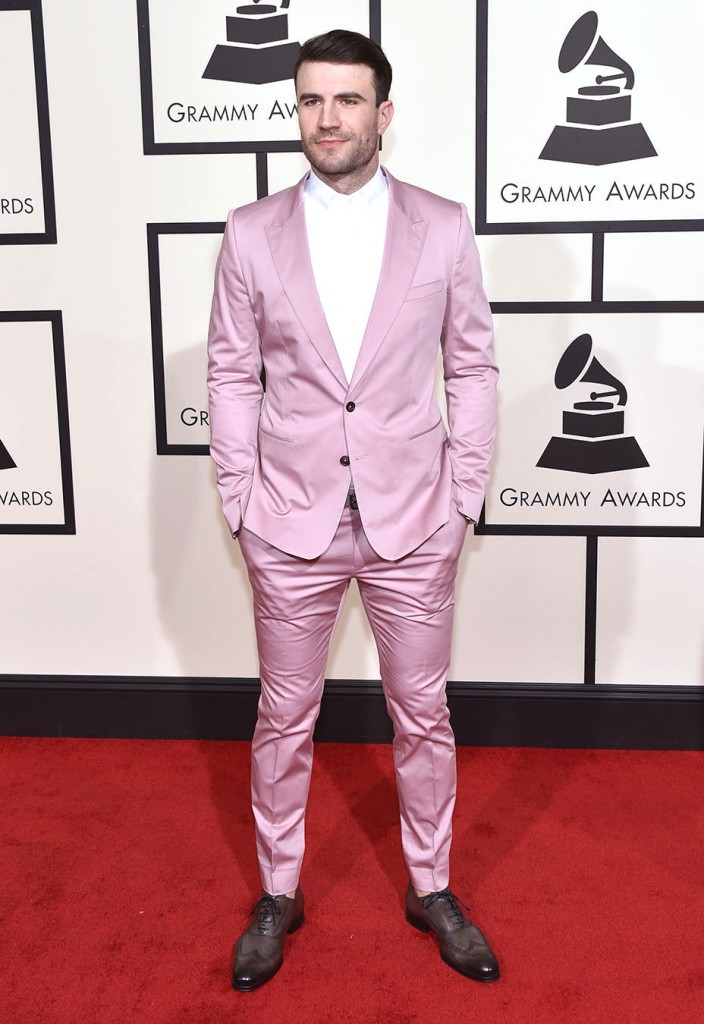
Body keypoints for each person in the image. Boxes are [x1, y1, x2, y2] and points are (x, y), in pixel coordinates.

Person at [207, 28, 499, 991]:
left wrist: (463, 495)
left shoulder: (443, 226)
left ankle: (431, 883)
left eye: (345, 100)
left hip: (415, 516)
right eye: (308, 101)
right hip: (289, 520)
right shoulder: (250, 232)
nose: (325, 118)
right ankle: (280, 888)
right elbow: (231, 372)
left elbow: (471, 365)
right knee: (284, 716)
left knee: (423, 712)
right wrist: (240, 498)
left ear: (383, 112)